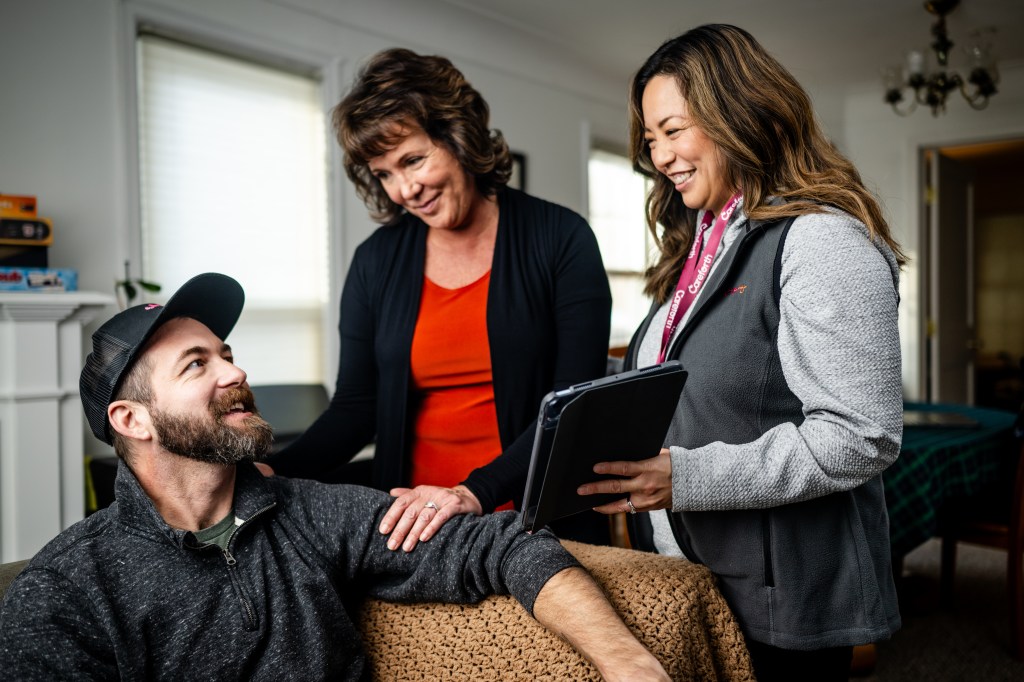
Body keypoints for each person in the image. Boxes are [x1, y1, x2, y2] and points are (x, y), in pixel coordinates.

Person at [0, 273, 666, 681]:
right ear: (133, 420)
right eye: (196, 365)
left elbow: (504, 547)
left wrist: (625, 663)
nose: (236, 373)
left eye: (227, 355)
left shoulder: (314, 514)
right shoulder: (67, 591)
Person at [575, 25, 906, 681]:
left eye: (674, 130)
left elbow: (860, 437)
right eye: (650, 139)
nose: (660, 156)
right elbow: (693, 376)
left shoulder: (822, 241)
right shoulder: (700, 247)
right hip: (684, 570)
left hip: (783, 591)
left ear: (739, 114)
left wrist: (687, 478)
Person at [263, 48, 613, 548]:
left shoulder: (560, 238)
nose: (404, 189)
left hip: (537, 523)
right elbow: (355, 409)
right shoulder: (375, 261)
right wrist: (269, 470)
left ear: (459, 135)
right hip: (414, 529)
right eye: (384, 173)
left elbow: (573, 405)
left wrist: (475, 491)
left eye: (413, 160)